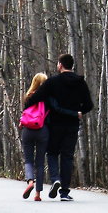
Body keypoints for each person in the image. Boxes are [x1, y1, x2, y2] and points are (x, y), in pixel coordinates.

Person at [27, 53, 94, 201]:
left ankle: (55, 179)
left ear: (60, 65)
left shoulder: (52, 82)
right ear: (72, 66)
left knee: (52, 153)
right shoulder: (80, 83)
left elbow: (35, 98)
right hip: (72, 124)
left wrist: (27, 110)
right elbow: (89, 105)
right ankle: (64, 192)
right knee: (67, 157)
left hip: (55, 125)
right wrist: (78, 112)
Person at [20, 72, 49, 201]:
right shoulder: (48, 98)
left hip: (28, 130)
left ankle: (30, 181)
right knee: (40, 162)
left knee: (28, 160)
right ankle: (38, 194)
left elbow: (25, 113)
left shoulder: (28, 97)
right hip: (42, 130)